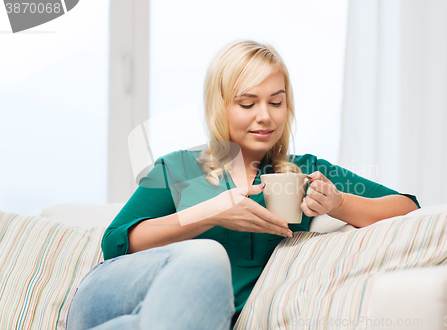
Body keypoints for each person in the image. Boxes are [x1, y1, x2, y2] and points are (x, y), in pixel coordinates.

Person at [65, 39, 420, 330]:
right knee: (206, 255)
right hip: (108, 295)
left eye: (276, 102)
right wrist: (212, 214)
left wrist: (338, 203)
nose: (265, 115)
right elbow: (115, 244)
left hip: (189, 320)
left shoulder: (303, 172)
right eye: (247, 102)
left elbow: (408, 208)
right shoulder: (177, 167)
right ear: (220, 108)